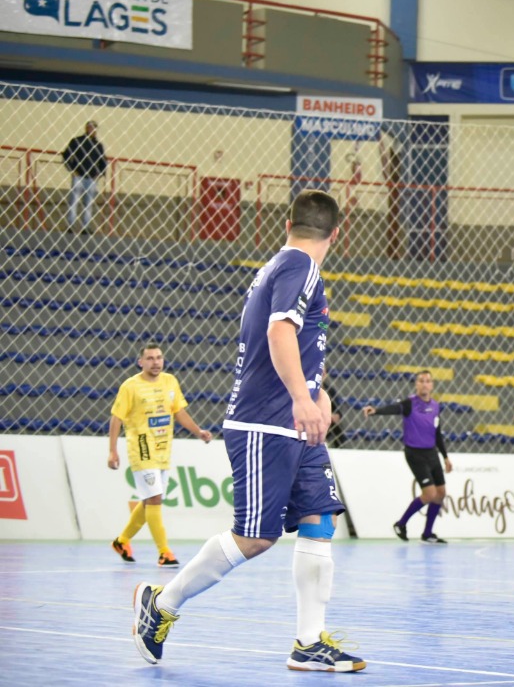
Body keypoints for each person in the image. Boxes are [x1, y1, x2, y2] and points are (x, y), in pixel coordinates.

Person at [132, 189, 364, 672]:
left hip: (295, 424)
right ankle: (162, 603)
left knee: (321, 518)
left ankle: (307, 643)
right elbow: (279, 333)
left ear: (288, 223)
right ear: (337, 233)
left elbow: (296, 343)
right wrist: (303, 398)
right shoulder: (301, 266)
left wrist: (316, 394)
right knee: (256, 538)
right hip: (266, 422)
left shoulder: (282, 266)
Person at [108, 344, 213, 567]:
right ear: (141, 362)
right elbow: (116, 418)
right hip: (142, 447)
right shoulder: (131, 386)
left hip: (163, 449)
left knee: (150, 500)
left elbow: (179, 412)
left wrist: (199, 432)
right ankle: (164, 552)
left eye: (159, 358)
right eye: (150, 358)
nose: (156, 362)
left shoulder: (170, 381)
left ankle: (122, 541)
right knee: (154, 498)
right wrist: (112, 450)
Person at [362, 370, 453, 543]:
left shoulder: (435, 406)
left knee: (441, 493)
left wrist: (446, 457)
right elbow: (394, 409)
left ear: (432, 385)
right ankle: (401, 524)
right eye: (421, 380)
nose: (425, 383)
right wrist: (376, 411)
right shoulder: (410, 403)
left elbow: (437, 433)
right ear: (416, 384)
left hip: (432, 453)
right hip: (415, 454)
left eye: (428, 381)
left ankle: (427, 534)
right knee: (430, 493)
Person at [61, 120, 107, 233]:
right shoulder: (77, 141)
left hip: (91, 178)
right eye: (90, 127)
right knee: (74, 201)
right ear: (86, 128)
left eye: (94, 128)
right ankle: (70, 225)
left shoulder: (98, 145)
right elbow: (66, 155)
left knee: (88, 203)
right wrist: (72, 170)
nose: (92, 130)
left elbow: (103, 161)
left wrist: (99, 174)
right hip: (78, 176)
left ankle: (86, 227)